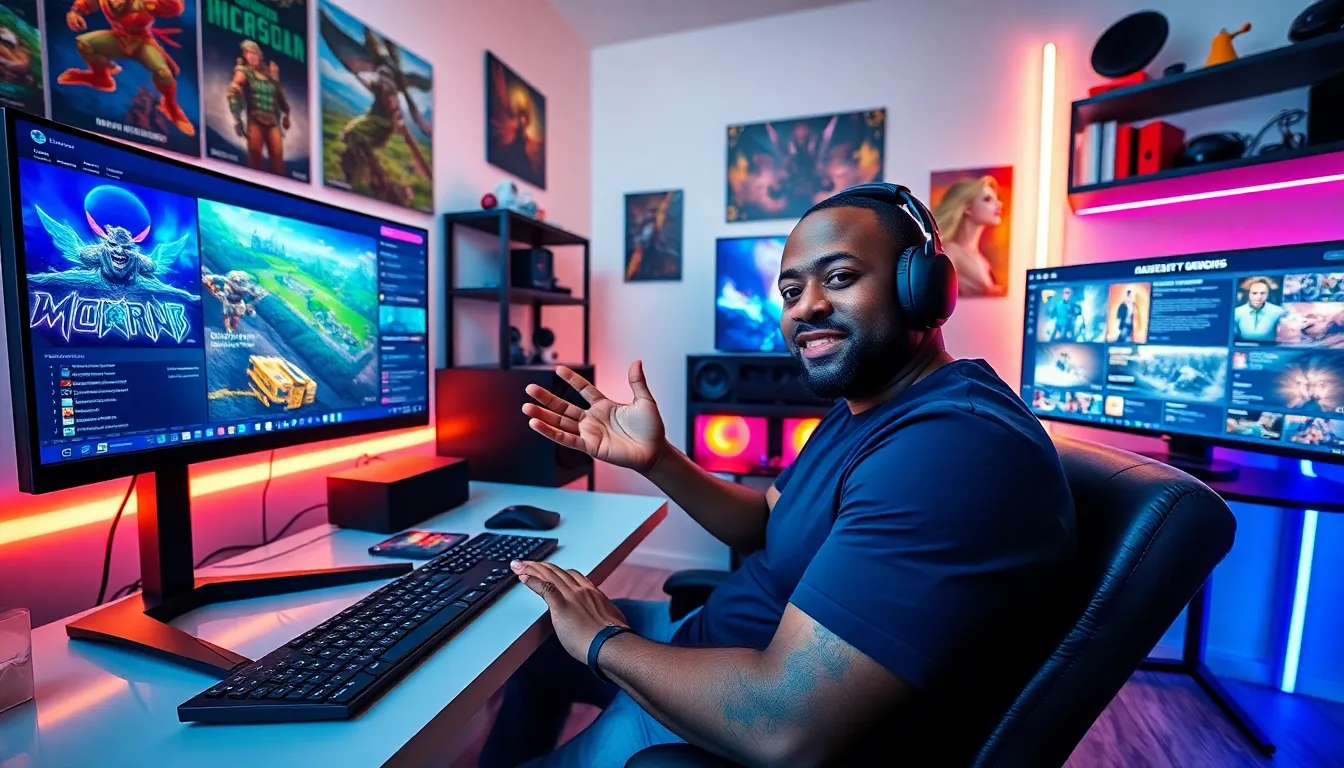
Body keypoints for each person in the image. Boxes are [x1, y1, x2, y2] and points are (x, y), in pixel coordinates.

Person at [481, 185, 1077, 768]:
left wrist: (604, 641)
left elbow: (783, 727)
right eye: (791, 290)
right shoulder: (864, 409)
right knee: (532, 645)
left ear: (922, 289)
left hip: (728, 705)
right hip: (708, 639)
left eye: (839, 277)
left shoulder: (947, 449)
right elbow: (764, 523)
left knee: (560, 648)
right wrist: (658, 458)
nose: (806, 306)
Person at [932, 175, 1007, 297]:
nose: (999, 204)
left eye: (996, 199)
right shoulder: (951, 252)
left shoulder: (983, 262)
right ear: (968, 208)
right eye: (987, 199)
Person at [1233, 278, 1285, 343]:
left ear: (1268, 294)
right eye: (1254, 293)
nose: (1258, 297)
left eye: (1263, 293)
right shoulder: (1237, 312)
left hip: (1269, 350)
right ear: (1248, 294)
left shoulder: (1278, 311)